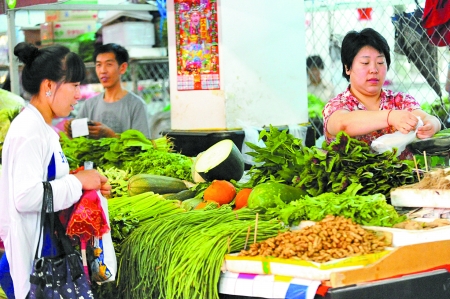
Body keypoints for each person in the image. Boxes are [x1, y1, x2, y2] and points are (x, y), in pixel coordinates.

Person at [0, 42, 111, 299]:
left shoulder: (41, 128)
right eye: (73, 85)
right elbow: (25, 196)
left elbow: (45, 184)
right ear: (49, 86)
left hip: (44, 249)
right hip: (36, 258)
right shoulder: (29, 131)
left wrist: (85, 185)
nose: (78, 94)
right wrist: (77, 184)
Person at [322, 28, 441, 160]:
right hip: (354, 180)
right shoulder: (337, 105)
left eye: (380, 62)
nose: (373, 69)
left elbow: (427, 119)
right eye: (365, 63)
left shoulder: (400, 101)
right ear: (347, 68)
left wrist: (432, 125)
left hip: (407, 179)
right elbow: (342, 124)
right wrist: (390, 117)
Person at [64, 43, 150, 139]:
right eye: (99, 65)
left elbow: (143, 145)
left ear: (122, 68)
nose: (103, 70)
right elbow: (76, 140)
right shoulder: (89, 104)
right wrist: (70, 130)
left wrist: (111, 136)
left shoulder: (136, 105)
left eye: (109, 64)